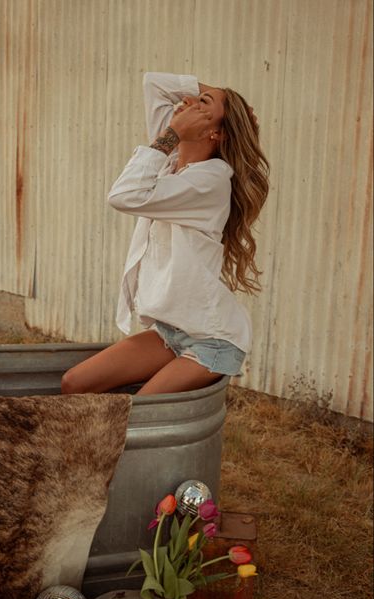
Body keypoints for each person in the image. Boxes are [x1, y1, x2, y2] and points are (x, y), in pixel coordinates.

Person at [61, 72, 269, 396]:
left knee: (141, 415)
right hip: (171, 331)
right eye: (191, 99)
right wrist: (210, 94)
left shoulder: (210, 182)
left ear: (216, 132)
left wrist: (172, 132)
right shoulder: (171, 163)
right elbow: (153, 84)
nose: (184, 102)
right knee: (73, 384)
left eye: (201, 105)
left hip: (211, 339)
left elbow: (124, 195)